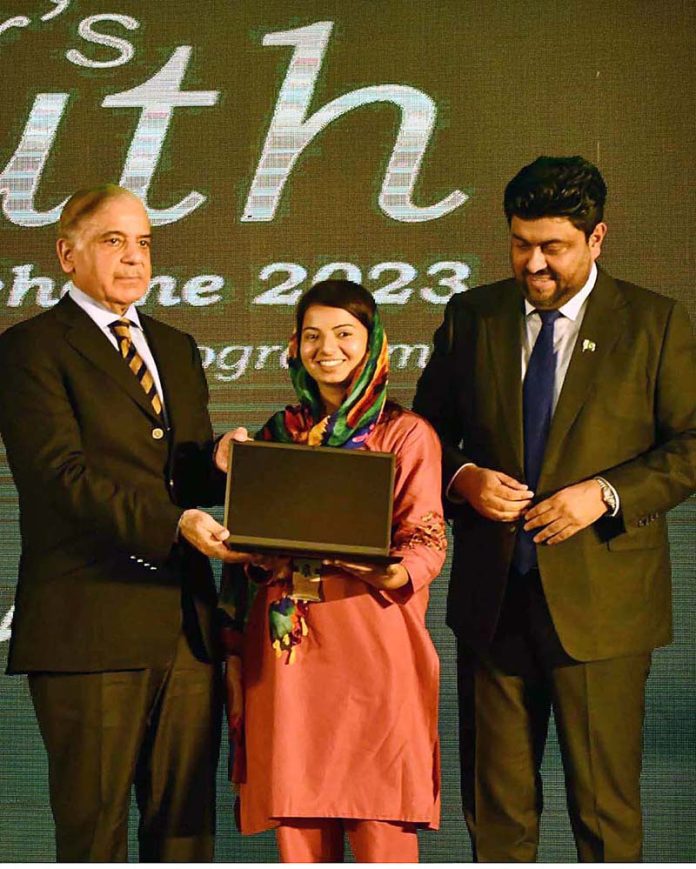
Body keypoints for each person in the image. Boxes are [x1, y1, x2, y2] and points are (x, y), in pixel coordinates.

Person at [413, 156, 696, 861]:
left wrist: (604, 494)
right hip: (493, 605)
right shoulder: (472, 316)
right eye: (519, 243)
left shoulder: (654, 323)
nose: (532, 263)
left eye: (553, 247)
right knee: (497, 817)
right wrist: (464, 479)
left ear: (596, 238)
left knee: (604, 814)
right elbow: (420, 437)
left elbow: (691, 444)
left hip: (604, 608)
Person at [0, 184, 248, 862]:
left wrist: (224, 468)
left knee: (186, 835)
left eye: (143, 242)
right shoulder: (28, 350)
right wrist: (177, 524)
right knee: (94, 836)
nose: (134, 258)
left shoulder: (175, 344)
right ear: (66, 254)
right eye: (114, 241)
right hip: (89, 627)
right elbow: (61, 480)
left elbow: (183, 475)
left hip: (185, 630)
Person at [218, 279, 447, 863]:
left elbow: (426, 535)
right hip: (290, 659)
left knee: (382, 829)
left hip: (374, 646)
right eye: (313, 335)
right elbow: (249, 553)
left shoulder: (407, 433)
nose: (328, 348)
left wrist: (397, 571)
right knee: (299, 829)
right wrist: (235, 494)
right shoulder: (273, 437)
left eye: (345, 334)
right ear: (295, 346)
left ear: (372, 345)